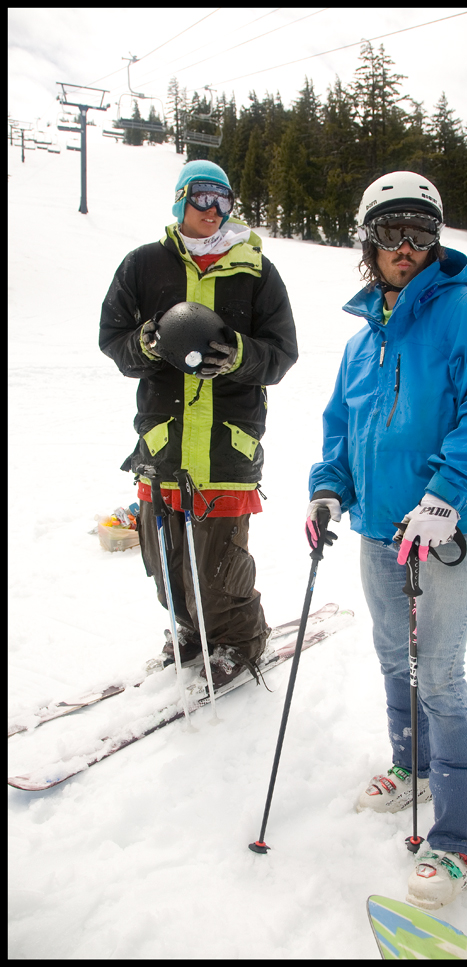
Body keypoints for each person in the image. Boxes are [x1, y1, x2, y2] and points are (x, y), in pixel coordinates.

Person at [306, 171, 467, 911]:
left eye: (422, 231)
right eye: (393, 230)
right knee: (391, 655)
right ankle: (414, 764)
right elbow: (341, 426)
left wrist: (446, 497)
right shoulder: (360, 341)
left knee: (440, 673)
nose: (408, 245)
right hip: (377, 529)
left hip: (445, 530)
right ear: (368, 240)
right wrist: (328, 486)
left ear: (437, 241)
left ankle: (462, 841)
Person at [100, 160, 298, 689]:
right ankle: (188, 631)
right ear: (180, 200)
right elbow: (113, 338)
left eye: (224, 200)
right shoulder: (144, 265)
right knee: (165, 565)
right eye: (203, 197)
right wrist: (144, 343)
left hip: (224, 447)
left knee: (217, 570)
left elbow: (281, 355)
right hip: (162, 445)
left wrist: (237, 355)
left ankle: (238, 641)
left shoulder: (256, 271)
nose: (213, 210)